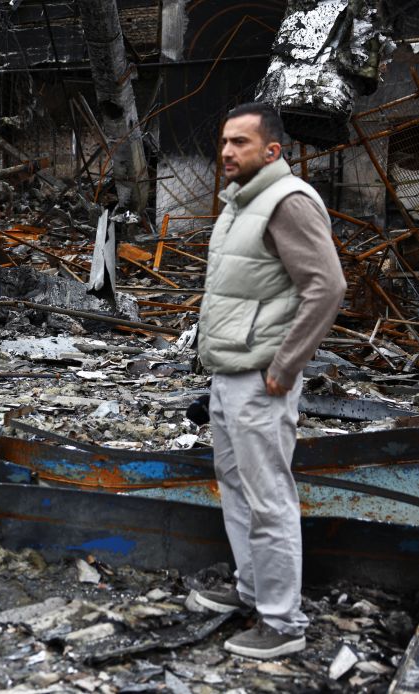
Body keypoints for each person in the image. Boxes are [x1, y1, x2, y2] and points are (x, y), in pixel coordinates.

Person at [191, 102, 346, 659]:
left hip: (262, 379)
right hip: (229, 373)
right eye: (225, 142)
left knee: (268, 499)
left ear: (272, 151)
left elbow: (326, 287)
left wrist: (286, 365)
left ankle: (283, 623)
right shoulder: (242, 202)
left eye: (241, 143)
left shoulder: (288, 202)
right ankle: (251, 589)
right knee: (236, 487)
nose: (227, 152)